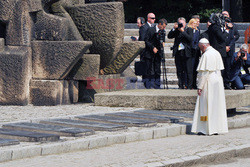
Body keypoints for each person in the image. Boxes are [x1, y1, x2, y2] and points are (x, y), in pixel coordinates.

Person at [191, 38, 228, 135]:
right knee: (215, 105)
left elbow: (204, 73)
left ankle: (204, 129)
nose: (200, 50)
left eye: (200, 48)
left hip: (208, 82)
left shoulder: (206, 55)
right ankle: (215, 128)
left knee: (205, 106)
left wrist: (200, 86)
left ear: (203, 46)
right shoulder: (216, 52)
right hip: (217, 81)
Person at [168, 17, 193, 89]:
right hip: (178, 52)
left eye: (182, 23)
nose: (181, 25)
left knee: (188, 70)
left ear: (185, 23)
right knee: (179, 69)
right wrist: (173, 28)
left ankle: (189, 85)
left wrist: (183, 31)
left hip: (186, 52)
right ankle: (181, 84)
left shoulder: (189, 29)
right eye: (179, 23)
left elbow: (190, 39)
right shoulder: (176, 30)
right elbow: (169, 36)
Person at [143, 19, 168, 89]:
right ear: (159, 24)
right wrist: (153, 47)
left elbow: (163, 41)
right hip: (150, 52)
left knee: (157, 70)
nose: (163, 28)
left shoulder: (163, 31)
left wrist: (162, 44)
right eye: (163, 26)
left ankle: (157, 85)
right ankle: (148, 85)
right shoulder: (151, 30)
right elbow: (146, 40)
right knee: (149, 69)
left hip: (158, 53)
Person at [208, 13, 230, 89]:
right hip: (218, 50)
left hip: (217, 50)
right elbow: (222, 38)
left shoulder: (212, 27)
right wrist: (226, 30)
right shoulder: (215, 28)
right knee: (219, 68)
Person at [222, 11, 240, 89]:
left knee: (228, 66)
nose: (225, 17)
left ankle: (227, 83)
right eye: (223, 15)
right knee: (222, 67)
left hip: (230, 49)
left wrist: (229, 45)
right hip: (222, 49)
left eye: (226, 15)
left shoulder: (233, 25)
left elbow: (237, 35)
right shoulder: (220, 25)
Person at [188, 18, 200, 89]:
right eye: (194, 23)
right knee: (190, 69)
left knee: (195, 69)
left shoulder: (197, 31)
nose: (195, 25)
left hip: (196, 51)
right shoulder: (189, 30)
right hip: (190, 51)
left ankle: (194, 84)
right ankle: (190, 84)